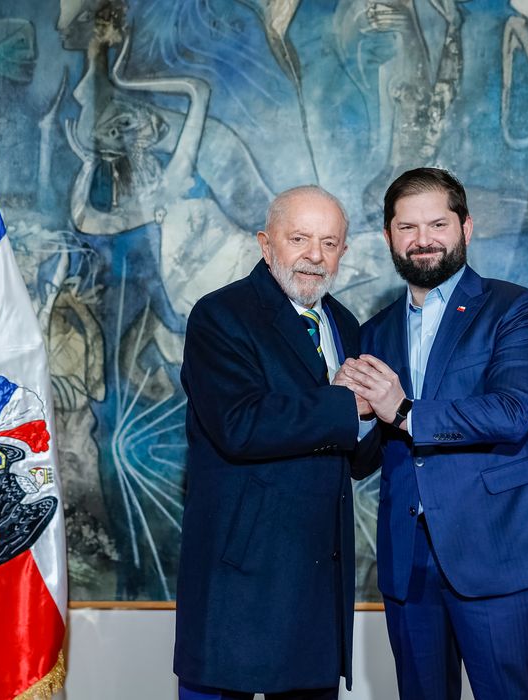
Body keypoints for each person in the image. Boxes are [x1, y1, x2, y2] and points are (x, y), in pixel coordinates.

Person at [340, 167, 528, 699]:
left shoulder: (514, 307)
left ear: (466, 228)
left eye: (437, 224)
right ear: (388, 237)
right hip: (408, 559)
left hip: (497, 549)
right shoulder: (375, 331)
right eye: (407, 228)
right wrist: (352, 411)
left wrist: (401, 410)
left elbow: (512, 411)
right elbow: (365, 459)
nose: (423, 239)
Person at [174, 186, 378, 699]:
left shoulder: (346, 325)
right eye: (300, 238)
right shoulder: (220, 315)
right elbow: (239, 424)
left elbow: (355, 460)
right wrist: (348, 405)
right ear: (267, 245)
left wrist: (382, 413)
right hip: (239, 581)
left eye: (329, 243)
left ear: (342, 253)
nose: (315, 255)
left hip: (315, 584)